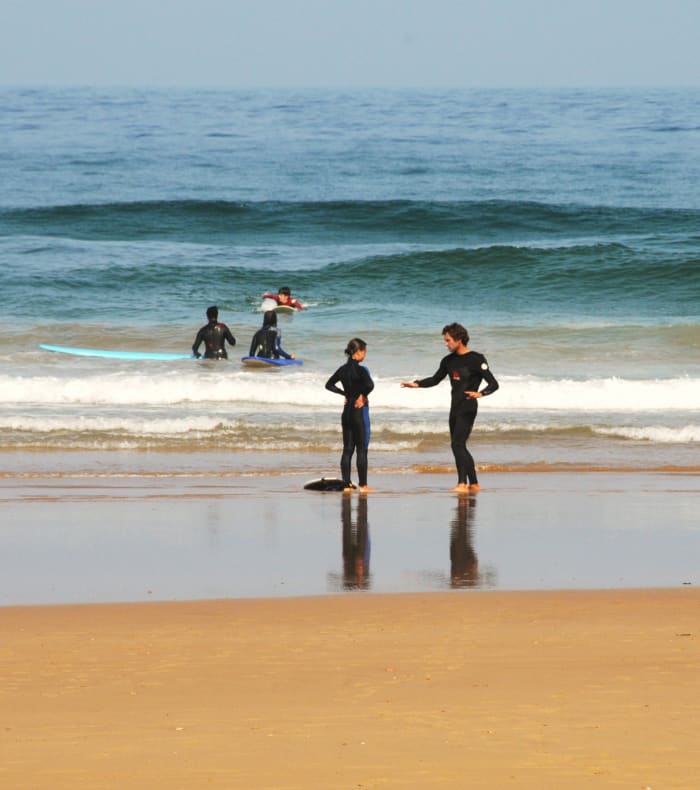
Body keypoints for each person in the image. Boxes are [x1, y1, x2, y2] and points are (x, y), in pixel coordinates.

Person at [401, 322, 498, 493]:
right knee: (458, 445)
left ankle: (462, 484)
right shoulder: (448, 361)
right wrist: (416, 384)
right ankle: (474, 483)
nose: (446, 344)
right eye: (445, 340)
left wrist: (481, 393)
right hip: (455, 407)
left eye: (448, 340)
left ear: (459, 339)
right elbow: (435, 379)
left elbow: (494, 383)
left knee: (457, 444)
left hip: (468, 407)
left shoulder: (477, 359)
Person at [325, 338, 374, 493]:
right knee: (361, 449)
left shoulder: (342, 369)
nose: (365, 355)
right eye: (364, 351)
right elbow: (370, 385)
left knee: (347, 449)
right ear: (358, 352)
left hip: (346, 413)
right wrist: (362, 395)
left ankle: (346, 485)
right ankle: (363, 486)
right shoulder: (361, 370)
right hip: (358, 412)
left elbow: (329, 385)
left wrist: (344, 394)